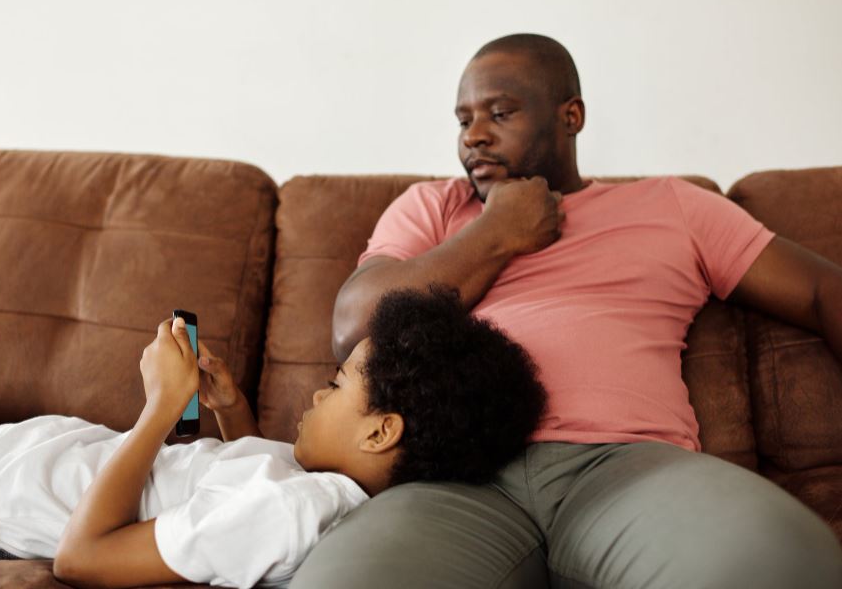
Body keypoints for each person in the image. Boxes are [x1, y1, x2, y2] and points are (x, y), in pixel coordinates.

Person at [290, 34, 842, 588]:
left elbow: (824, 290)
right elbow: (353, 327)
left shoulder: (674, 206)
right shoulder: (433, 207)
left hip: (627, 470)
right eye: (463, 120)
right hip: (456, 480)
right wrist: (499, 232)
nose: (473, 135)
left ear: (571, 116)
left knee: (778, 561)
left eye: (500, 113)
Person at [0, 286, 546, 588]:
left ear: (380, 431)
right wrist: (232, 411)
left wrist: (159, 409)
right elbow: (241, 484)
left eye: (338, 383)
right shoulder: (326, 491)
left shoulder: (293, 511)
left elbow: (83, 558)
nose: (318, 395)